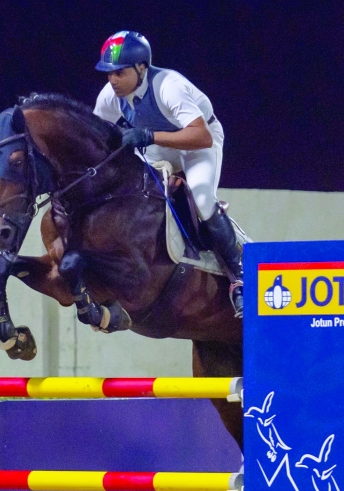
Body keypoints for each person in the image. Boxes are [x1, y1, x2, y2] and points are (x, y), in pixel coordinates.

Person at [93, 30, 243, 316]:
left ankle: (240, 278)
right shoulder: (110, 96)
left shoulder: (167, 86)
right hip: (160, 144)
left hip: (199, 141)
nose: (113, 80)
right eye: (108, 74)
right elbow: (97, 137)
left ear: (141, 68)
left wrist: (149, 136)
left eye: (120, 73)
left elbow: (201, 137)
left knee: (202, 198)